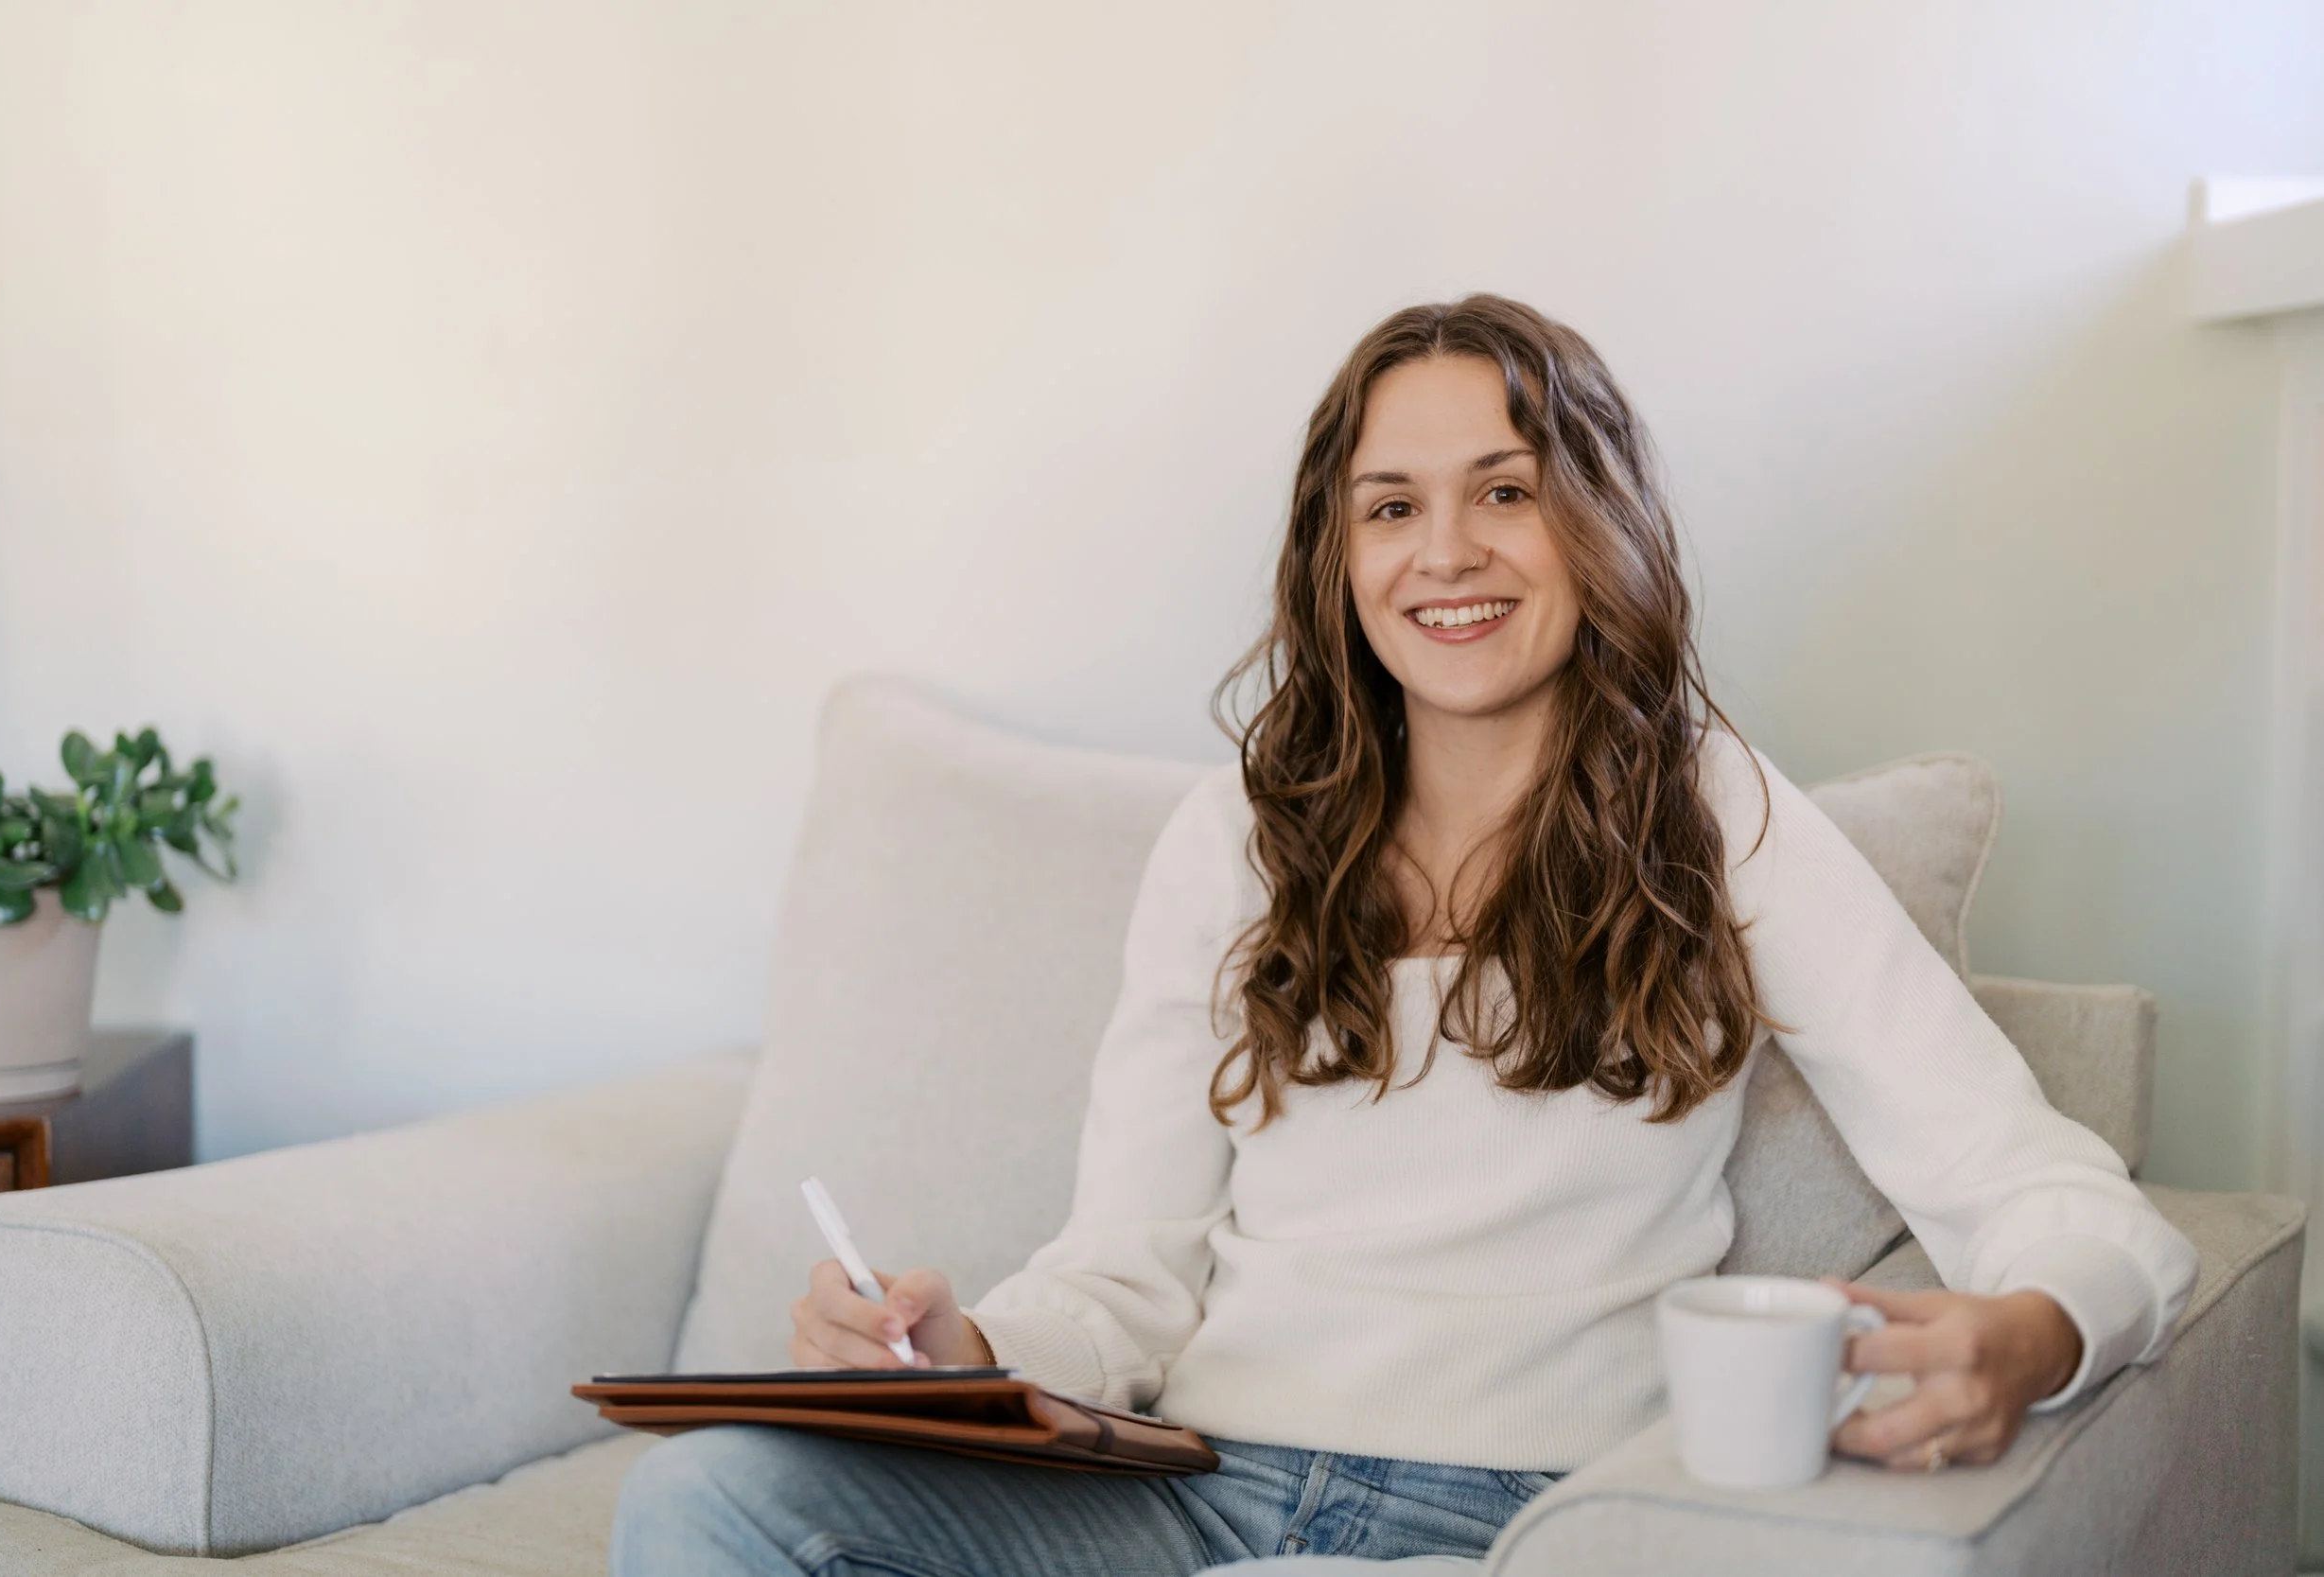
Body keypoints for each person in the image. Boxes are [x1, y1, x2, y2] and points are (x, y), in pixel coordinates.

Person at [609, 293, 2199, 1575]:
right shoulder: (1238, 832)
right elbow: (1129, 1275)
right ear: (1339, 554)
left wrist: (2041, 1328)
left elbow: (2041, 1187)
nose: (1446, 551)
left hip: (1513, 1525)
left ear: (1596, 522)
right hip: (1186, 1494)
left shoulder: (1716, 813)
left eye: (1505, 491)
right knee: (707, 1502)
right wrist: (965, 1346)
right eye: (1393, 505)